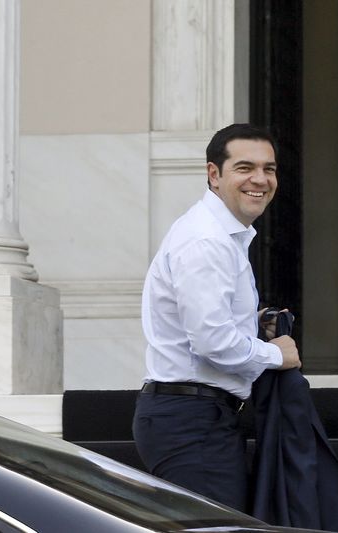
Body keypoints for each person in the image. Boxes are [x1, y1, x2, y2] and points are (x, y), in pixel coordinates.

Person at [132, 123, 301, 511]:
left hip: (195, 416)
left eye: (269, 169)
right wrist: (277, 355)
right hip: (191, 420)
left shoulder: (220, 235)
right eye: (245, 168)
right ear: (214, 174)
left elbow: (207, 323)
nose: (260, 179)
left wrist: (253, 323)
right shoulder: (206, 241)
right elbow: (211, 343)